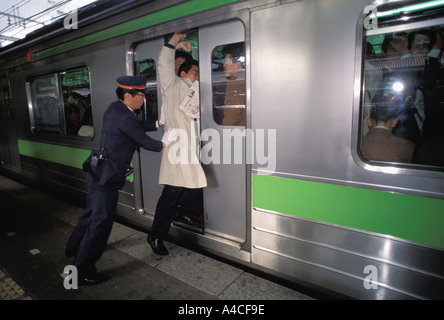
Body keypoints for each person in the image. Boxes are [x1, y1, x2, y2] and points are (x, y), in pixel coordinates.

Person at [65, 76, 177, 285]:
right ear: (128, 95)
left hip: (97, 173)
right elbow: (144, 141)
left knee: (90, 215)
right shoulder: (125, 117)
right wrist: (164, 143)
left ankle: (72, 247)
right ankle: (81, 271)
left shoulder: (116, 109)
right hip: (106, 179)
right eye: (141, 95)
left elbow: (134, 127)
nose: (144, 99)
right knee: (100, 225)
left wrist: (157, 122)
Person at [147, 32, 207, 255]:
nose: (198, 76)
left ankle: (182, 213)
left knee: (186, 190)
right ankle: (155, 235)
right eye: (194, 72)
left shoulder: (202, 91)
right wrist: (173, 43)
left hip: (197, 150)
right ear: (182, 73)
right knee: (171, 195)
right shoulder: (172, 86)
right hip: (178, 152)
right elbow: (163, 64)